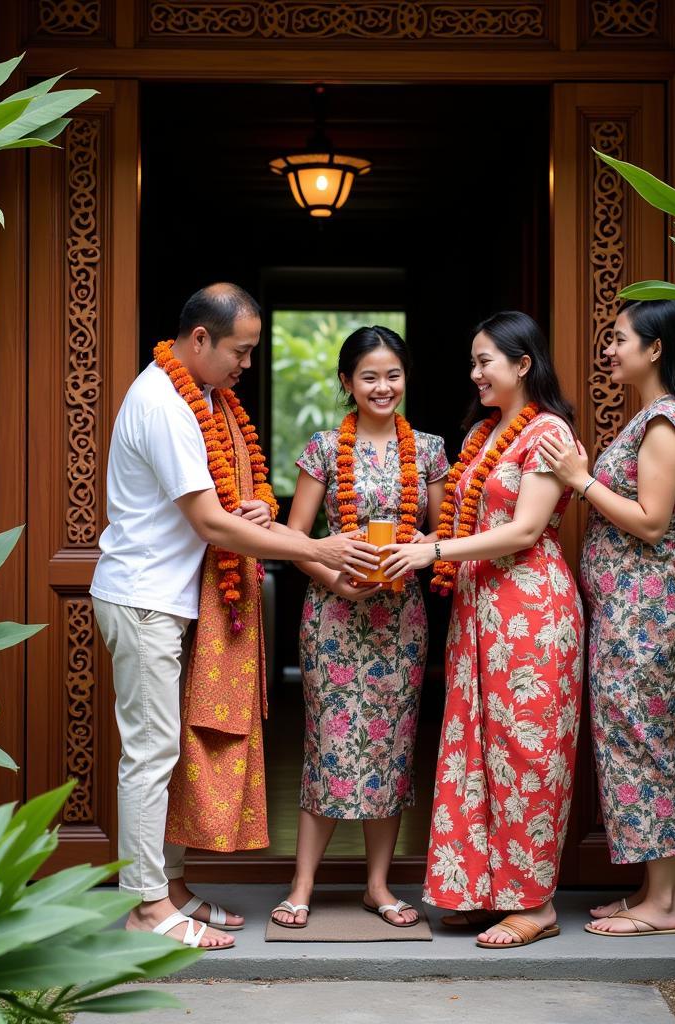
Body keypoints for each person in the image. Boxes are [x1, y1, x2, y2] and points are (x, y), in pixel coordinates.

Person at [90, 283, 379, 950]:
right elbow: (207, 521)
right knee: (152, 752)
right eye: (240, 352)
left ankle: (173, 886)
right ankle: (146, 908)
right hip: (143, 599)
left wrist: (252, 512)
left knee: (175, 748)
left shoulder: (206, 403)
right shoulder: (164, 403)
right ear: (199, 341)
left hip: (175, 598)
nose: (247, 364)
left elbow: (221, 510)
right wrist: (315, 546)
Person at [381, 310, 583, 949]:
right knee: (474, 751)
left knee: (527, 752)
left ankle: (535, 903)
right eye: (472, 361)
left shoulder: (546, 432)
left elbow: (525, 530)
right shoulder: (483, 436)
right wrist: (432, 540)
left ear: (523, 364)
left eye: (484, 361)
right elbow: (471, 524)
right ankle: (479, 890)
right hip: (479, 612)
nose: (474, 374)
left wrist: (435, 554)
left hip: (531, 611)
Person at [539, 298, 675, 937]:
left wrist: (580, 480)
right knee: (632, 740)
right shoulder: (651, 418)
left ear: (656, 348)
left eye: (619, 339)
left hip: (650, 610)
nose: (608, 350)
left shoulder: (666, 423)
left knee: (649, 743)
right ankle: (651, 888)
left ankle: (666, 903)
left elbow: (651, 521)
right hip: (628, 610)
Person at [270, 325, 449, 930]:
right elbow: (292, 539)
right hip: (334, 618)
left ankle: (378, 885)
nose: (383, 386)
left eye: (392, 374)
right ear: (347, 383)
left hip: (401, 620)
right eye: (369, 376)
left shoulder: (428, 449)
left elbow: (439, 535)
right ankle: (301, 886)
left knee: (391, 748)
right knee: (328, 745)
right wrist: (331, 573)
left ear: (406, 377)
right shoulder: (324, 447)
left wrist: (418, 549)